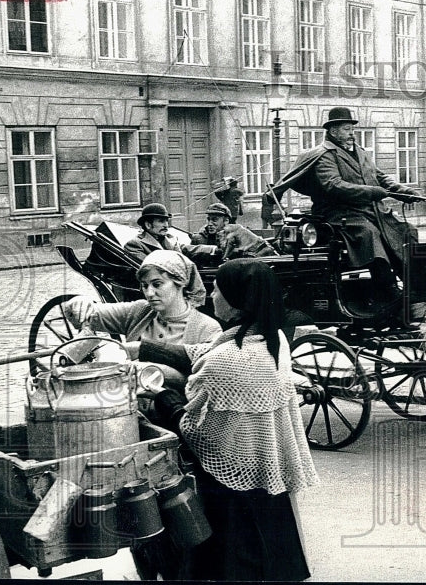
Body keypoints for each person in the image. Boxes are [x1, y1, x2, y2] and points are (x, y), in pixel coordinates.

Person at [148, 259, 319, 582]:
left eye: (216, 289)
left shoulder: (223, 362)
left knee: (231, 567)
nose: (211, 295)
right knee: (273, 565)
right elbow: (204, 350)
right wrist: (143, 348)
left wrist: (162, 396)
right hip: (268, 481)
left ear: (236, 301)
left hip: (229, 494)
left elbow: (195, 433)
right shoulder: (272, 341)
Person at [271, 107, 424, 302]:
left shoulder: (360, 152)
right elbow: (333, 185)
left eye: (352, 128)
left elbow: (380, 177)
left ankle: (415, 289)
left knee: (406, 231)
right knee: (369, 234)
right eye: (346, 129)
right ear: (333, 131)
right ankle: (387, 290)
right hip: (339, 214)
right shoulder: (324, 155)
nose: (352, 133)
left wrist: (405, 192)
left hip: (370, 211)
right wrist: (371, 192)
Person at [62, 250, 221, 389]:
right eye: (145, 286)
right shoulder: (141, 311)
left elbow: (204, 383)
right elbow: (91, 314)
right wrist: (79, 303)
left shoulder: (207, 329)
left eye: (157, 284)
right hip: (128, 408)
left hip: (171, 418)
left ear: (180, 283)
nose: (149, 293)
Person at [124, 202, 218, 273]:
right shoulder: (135, 244)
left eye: (166, 221)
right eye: (161, 221)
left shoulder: (170, 239)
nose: (166, 225)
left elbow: (187, 249)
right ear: (148, 225)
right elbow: (153, 268)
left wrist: (214, 249)